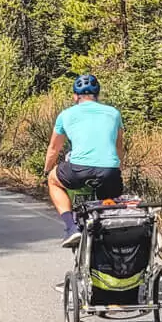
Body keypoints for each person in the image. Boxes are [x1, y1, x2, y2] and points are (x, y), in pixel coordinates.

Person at [46, 73, 123, 249]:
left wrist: (47, 169)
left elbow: (53, 149)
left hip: (78, 169)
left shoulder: (66, 114)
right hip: (109, 171)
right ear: (98, 95)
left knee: (53, 180)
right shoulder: (114, 113)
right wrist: (117, 169)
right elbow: (119, 148)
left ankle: (72, 228)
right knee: (110, 203)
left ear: (75, 96)